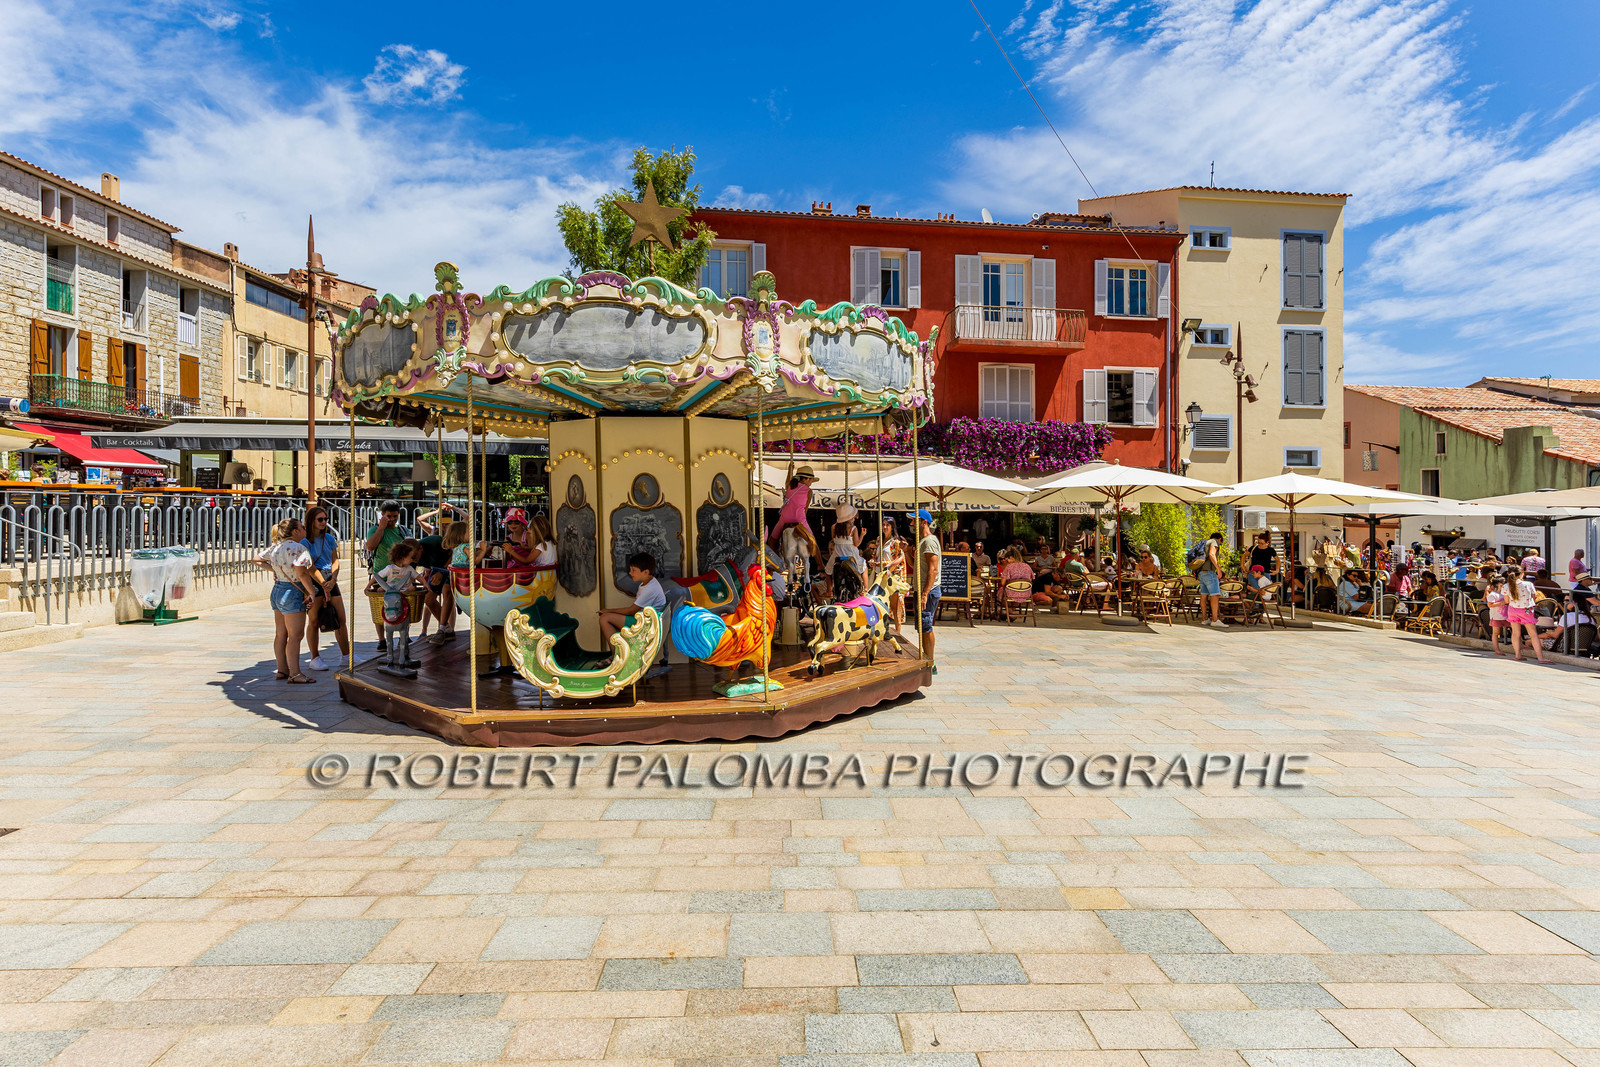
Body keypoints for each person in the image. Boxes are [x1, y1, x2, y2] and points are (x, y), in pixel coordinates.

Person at [256, 517, 319, 683]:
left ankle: (282, 669)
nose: (305, 530)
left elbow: (256, 559)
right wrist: (311, 591)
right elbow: (302, 572)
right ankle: (295, 673)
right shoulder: (299, 547)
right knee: (295, 635)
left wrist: (274, 570)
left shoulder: (276, 547)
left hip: (277, 589)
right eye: (302, 527)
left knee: (281, 633)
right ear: (295, 531)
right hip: (292, 591)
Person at [300, 505, 349, 672]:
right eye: (320, 519)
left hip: (330, 577)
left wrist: (333, 579)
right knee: (313, 620)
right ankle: (315, 657)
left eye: (326, 519)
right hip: (315, 580)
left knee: (340, 618)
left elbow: (335, 560)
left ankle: (346, 655)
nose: (324, 522)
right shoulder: (304, 542)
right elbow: (310, 567)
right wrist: (323, 585)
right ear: (311, 521)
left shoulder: (329, 538)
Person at [372, 538, 424, 670]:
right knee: (381, 589)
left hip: (404, 594)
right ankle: (390, 656)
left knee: (412, 589)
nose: (412, 560)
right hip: (392, 594)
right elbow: (377, 576)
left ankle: (403, 655)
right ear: (402, 557)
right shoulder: (390, 569)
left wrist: (426, 586)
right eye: (410, 557)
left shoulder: (409, 569)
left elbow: (419, 577)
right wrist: (369, 586)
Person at [363, 500, 408, 638]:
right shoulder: (374, 529)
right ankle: (382, 639)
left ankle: (403, 636)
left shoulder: (403, 530)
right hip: (381, 574)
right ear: (382, 515)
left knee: (403, 605)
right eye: (389, 516)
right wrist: (381, 528)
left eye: (395, 516)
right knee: (380, 606)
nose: (392, 519)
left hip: (400, 575)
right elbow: (370, 547)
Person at [600, 552, 666, 643]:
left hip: (645, 625)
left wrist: (608, 610)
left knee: (605, 618)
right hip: (643, 620)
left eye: (633, 570)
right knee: (609, 617)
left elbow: (631, 610)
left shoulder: (650, 589)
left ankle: (616, 654)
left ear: (646, 572)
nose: (630, 573)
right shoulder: (649, 583)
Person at [417, 518, 456, 643]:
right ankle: (446, 629)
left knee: (446, 590)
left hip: (451, 566)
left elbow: (453, 554)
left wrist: (442, 571)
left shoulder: (436, 542)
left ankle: (442, 628)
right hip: (436, 568)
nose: (414, 561)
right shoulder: (412, 556)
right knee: (428, 598)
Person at [915, 509, 941, 672]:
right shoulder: (923, 541)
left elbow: (933, 570)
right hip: (923, 589)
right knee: (922, 627)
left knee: (926, 626)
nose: (911, 524)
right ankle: (926, 660)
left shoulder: (929, 541)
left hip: (928, 591)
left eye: (914, 521)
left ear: (923, 522)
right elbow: (919, 566)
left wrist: (924, 593)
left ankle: (931, 663)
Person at [1505, 566, 1547, 664]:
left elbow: (1506, 601)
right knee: (1533, 634)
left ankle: (1517, 655)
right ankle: (1540, 658)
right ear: (1522, 574)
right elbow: (1533, 596)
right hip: (1526, 610)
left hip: (1512, 610)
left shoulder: (1506, 586)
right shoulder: (1528, 584)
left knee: (1515, 633)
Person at [769, 465, 818, 546]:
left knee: (772, 540)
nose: (811, 483)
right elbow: (805, 509)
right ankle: (819, 559)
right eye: (811, 480)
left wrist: (790, 469)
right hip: (799, 519)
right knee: (813, 542)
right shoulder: (809, 491)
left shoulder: (790, 486)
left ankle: (772, 558)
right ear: (807, 478)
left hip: (785, 518)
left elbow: (787, 480)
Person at [1188, 531, 1226, 628]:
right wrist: (1218, 568)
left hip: (1201, 573)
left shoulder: (1205, 542)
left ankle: (1205, 619)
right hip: (1209, 572)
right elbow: (1212, 554)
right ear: (1220, 539)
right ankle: (1215, 620)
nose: (1219, 545)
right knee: (1215, 595)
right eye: (1220, 543)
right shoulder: (1214, 542)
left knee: (1203, 595)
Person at [826, 520, 866, 602]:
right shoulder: (853, 528)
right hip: (850, 557)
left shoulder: (834, 527)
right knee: (864, 565)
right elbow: (856, 544)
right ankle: (864, 589)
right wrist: (862, 535)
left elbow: (834, 539)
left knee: (828, 570)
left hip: (838, 556)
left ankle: (829, 591)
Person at [1482, 571, 1509, 654]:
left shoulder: (1504, 594)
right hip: (1496, 616)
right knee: (1496, 632)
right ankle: (1497, 649)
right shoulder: (1492, 594)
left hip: (1505, 615)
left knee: (1513, 629)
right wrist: (1502, 603)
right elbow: (1490, 604)